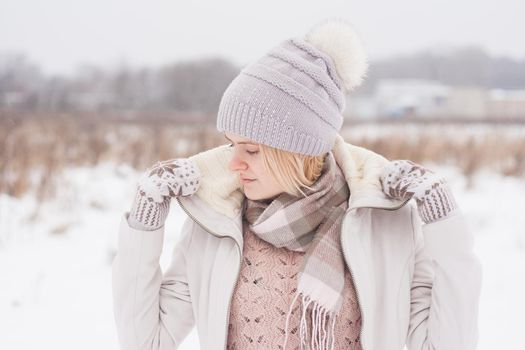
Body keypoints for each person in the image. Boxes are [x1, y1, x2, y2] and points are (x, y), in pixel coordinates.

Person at [112, 18, 482, 350]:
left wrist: (443, 220)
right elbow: (146, 342)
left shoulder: (384, 226)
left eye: (252, 150)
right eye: (231, 145)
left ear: (300, 151)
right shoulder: (215, 226)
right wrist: (146, 221)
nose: (234, 163)